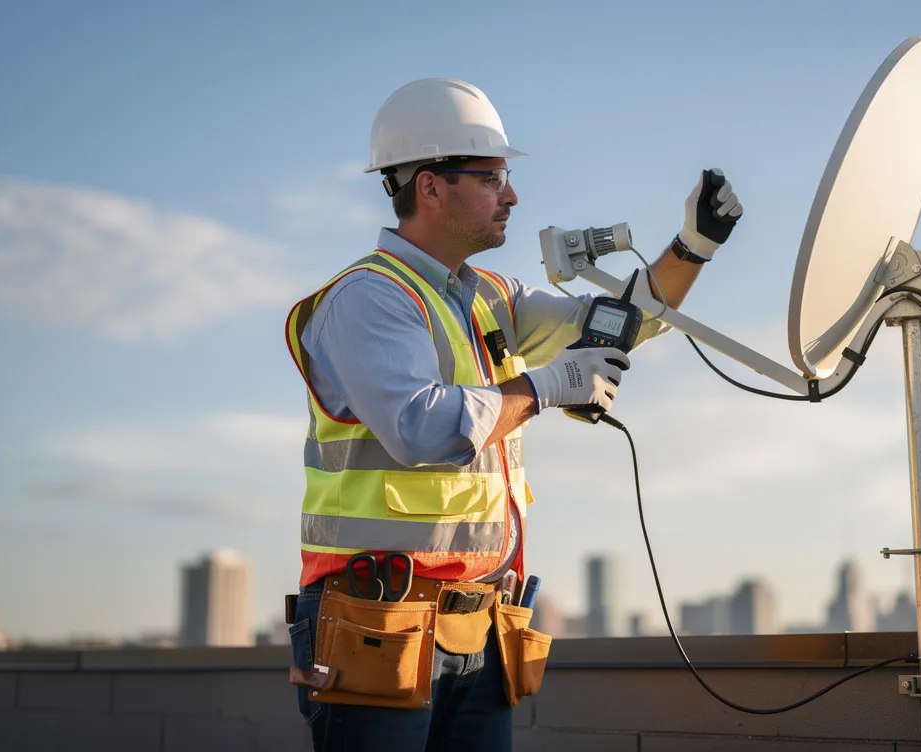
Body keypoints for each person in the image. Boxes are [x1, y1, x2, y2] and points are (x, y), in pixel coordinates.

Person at [283, 78, 743, 751]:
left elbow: (623, 322)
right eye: (492, 176)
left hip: (479, 625)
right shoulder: (368, 298)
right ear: (431, 187)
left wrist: (695, 245)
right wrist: (547, 386)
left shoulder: (492, 298)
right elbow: (418, 428)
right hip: (377, 619)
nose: (512, 195)